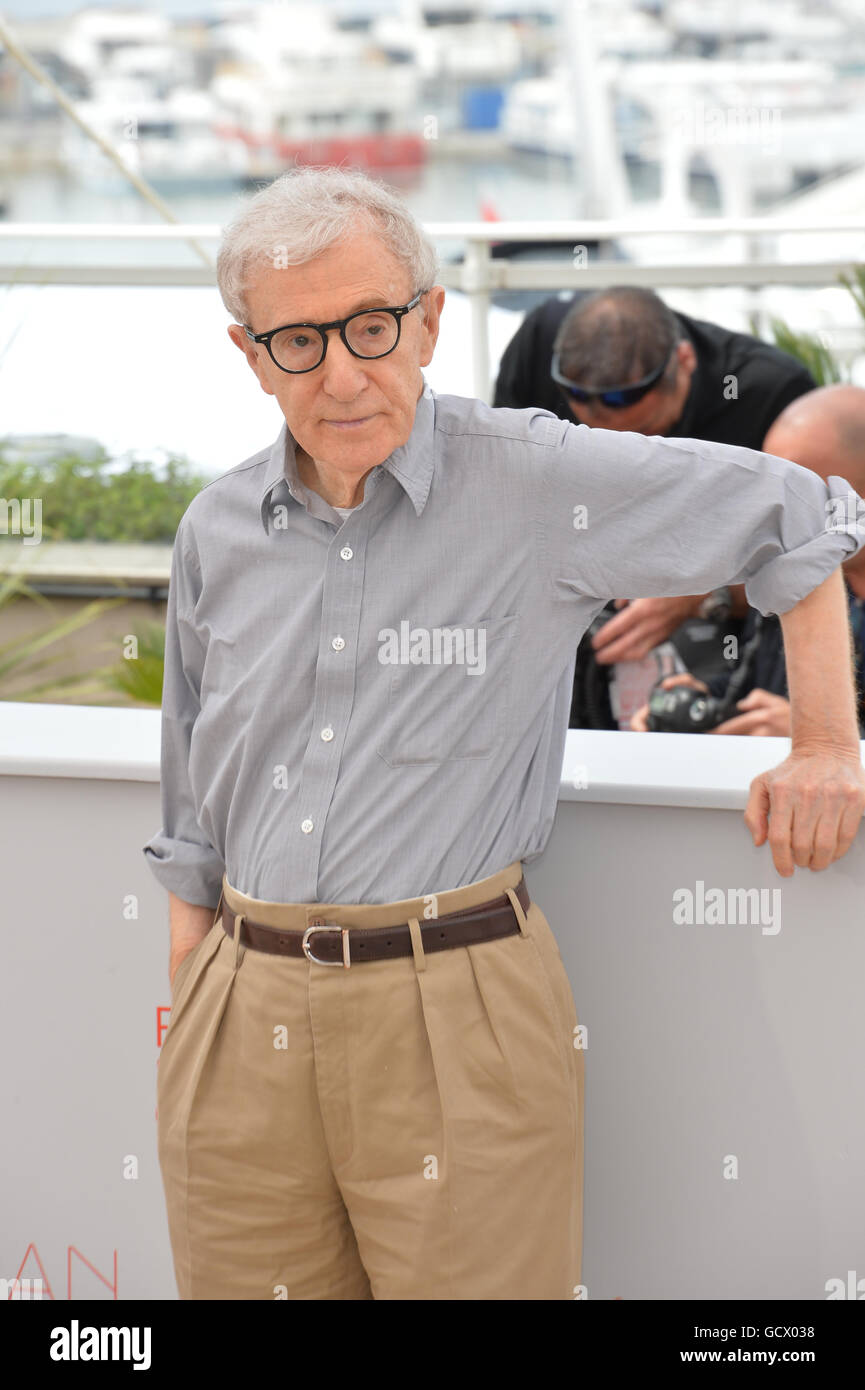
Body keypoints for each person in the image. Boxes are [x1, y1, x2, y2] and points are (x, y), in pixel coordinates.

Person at [143, 166, 865, 1302]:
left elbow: (801, 510)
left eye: (372, 326)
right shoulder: (217, 526)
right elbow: (193, 771)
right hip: (240, 1009)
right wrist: (197, 1003)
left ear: (429, 321)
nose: (341, 373)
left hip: (456, 1004)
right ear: (249, 354)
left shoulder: (537, 480)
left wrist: (826, 744)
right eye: (297, 341)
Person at [494, 288, 817, 709]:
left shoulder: (769, 394)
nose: (622, 466)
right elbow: (504, 497)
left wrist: (702, 594)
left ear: (684, 363)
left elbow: (818, 560)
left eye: (645, 435)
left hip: (722, 635)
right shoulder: (540, 340)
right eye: (591, 441)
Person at [630, 384, 865, 737]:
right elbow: (757, 683)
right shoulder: (796, 573)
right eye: (770, 492)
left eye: (804, 497)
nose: (776, 517)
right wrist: (703, 700)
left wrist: (826, 737)